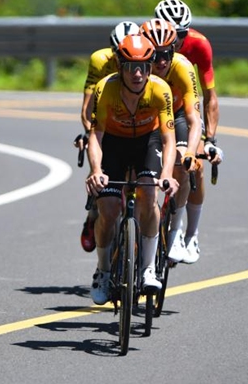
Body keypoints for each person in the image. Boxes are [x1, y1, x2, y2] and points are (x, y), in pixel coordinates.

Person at [85, 33, 179, 305]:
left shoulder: (160, 90)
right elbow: (96, 136)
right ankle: (103, 271)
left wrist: (166, 175)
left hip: (146, 143)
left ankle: (148, 267)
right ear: (120, 67)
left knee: (149, 197)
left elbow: (167, 139)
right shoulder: (106, 88)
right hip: (114, 143)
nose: (137, 73)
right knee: (109, 208)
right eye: (129, 67)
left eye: (143, 67)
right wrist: (95, 170)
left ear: (150, 67)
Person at [154, 0, 225, 264]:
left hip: (183, 108)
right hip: (152, 108)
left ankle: (189, 234)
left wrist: (210, 140)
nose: (176, 42)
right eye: (173, 35)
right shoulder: (147, 39)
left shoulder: (198, 45)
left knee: (193, 164)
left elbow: (210, 98)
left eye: (181, 35)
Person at [139, 18, 203, 263]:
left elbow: (194, 119)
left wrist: (190, 153)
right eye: (155, 55)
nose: (162, 61)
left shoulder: (183, 67)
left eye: (168, 53)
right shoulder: (134, 69)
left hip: (175, 115)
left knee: (183, 166)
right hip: (145, 118)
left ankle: (176, 230)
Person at [75, 20, 140, 253]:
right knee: (99, 163)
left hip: (134, 126)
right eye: (117, 54)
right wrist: (90, 131)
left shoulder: (142, 66)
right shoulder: (100, 61)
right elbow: (87, 107)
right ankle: (93, 215)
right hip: (105, 119)